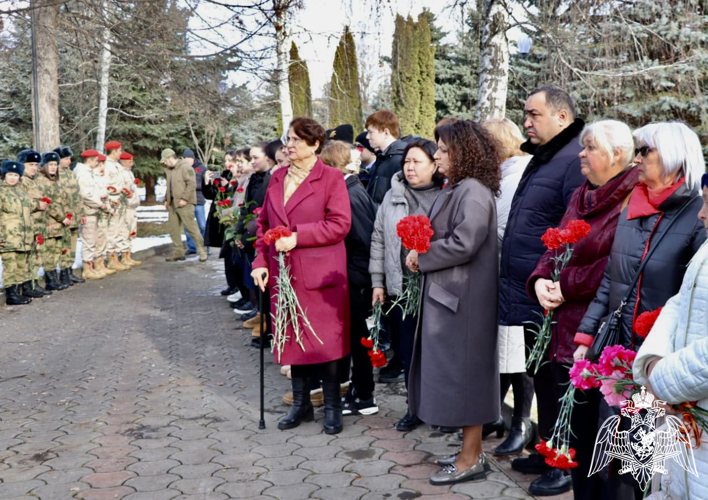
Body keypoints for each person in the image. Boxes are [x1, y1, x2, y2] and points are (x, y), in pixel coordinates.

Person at [574, 121, 706, 498]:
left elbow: (693, 295)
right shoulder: (634, 204)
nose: (639, 158)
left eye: (646, 151)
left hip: (656, 361)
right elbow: (611, 279)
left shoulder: (698, 212)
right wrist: (586, 334)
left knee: (640, 463)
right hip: (619, 353)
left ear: (675, 156)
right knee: (609, 455)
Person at [527, 120, 639, 498]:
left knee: (605, 448)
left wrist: (566, 285)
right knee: (577, 436)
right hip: (564, 331)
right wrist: (541, 278)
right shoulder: (581, 194)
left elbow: (619, 265)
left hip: (603, 336)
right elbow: (556, 244)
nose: (581, 153)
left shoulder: (632, 198)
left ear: (618, 155)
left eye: (590, 147)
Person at [498, 85, 585, 496]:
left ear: (562, 117)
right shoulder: (546, 156)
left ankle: (564, 461)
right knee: (539, 374)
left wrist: (557, 281)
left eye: (534, 115)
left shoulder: (571, 160)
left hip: (551, 292)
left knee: (554, 378)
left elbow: (575, 231)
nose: (527, 122)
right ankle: (547, 447)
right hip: (530, 287)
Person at [405, 119, 501, 485]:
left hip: (465, 305)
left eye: (443, 150)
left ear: (463, 152)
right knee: (457, 379)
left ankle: (471, 457)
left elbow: (465, 242)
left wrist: (421, 258)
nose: (437, 155)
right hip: (453, 300)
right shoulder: (457, 188)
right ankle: (468, 450)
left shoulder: (472, 191)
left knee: (467, 380)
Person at [252, 117, 352, 435]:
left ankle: (333, 406)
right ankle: (301, 404)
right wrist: (259, 261)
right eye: (288, 139)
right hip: (284, 274)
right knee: (292, 337)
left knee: (327, 342)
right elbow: (264, 224)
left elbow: (340, 224)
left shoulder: (331, 178)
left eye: (296, 140)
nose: (289, 145)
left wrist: (298, 236)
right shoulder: (278, 177)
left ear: (314, 144)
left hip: (322, 276)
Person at [633, 173, 708, 500]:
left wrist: (662, 380)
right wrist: (651, 363)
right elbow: (679, 304)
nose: (701, 214)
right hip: (687, 417)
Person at [369, 138, 444, 430]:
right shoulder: (393, 194)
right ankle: (415, 407)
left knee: (435, 354)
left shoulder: (445, 195)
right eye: (407, 162)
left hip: (434, 289)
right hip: (401, 289)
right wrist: (379, 282)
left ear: (434, 164)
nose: (410, 167)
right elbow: (378, 238)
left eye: (417, 162)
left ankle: (439, 409)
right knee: (409, 353)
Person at [476, 117, 535, 453]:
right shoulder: (503, 175)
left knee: (518, 356)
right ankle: (495, 415)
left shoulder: (516, 178)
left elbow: (502, 231)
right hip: (499, 277)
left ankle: (521, 422)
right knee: (502, 352)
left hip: (513, 278)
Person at [320, 141, 378, 416]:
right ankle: (357, 388)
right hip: (354, 276)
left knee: (359, 338)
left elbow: (365, 240)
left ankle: (365, 395)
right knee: (355, 337)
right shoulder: (348, 188)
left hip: (356, 279)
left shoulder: (350, 193)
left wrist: (355, 278)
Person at [241, 143, 275, 343]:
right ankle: (260, 314)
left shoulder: (271, 178)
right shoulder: (255, 178)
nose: (253, 162)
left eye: (256, 157)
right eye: (250, 158)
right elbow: (250, 208)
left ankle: (266, 321)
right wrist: (243, 231)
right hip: (256, 233)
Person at [160, 148, 208, 262]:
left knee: (192, 228)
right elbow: (169, 186)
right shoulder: (169, 169)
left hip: (185, 203)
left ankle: (202, 251)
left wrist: (185, 198)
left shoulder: (186, 167)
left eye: (165, 160)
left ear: (171, 157)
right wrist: (166, 199)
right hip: (173, 203)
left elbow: (192, 184)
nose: (164, 163)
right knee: (174, 229)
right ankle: (178, 252)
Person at [0, 160, 36, 305]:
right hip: (8, 236)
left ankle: (18, 292)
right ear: (4, 175)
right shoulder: (1, 191)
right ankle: (11, 295)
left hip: (23, 236)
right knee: (11, 266)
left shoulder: (22, 191)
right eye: (10, 174)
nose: (13, 178)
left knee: (21, 265)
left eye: (15, 175)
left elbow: (28, 210)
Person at [75, 149, 114, 279]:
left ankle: (92, 266)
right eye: (96, 161)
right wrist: (100, 204)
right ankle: (87, 268)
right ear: (89, 160)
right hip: (87, 211)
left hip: (93, 211)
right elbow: (86, 194)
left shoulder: (89, 173)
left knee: (94, 239)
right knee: (89, 240)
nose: (97, 163)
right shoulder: (83, 174)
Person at [18, 149, 51, 297]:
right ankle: (27, 285)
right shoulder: (20, 180)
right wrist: (38, 205)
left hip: (39, 223)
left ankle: (34, 282)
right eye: (30, 164)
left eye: (36, 164)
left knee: (37, 255)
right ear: (22, 164)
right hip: (27, 224)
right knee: (28, 256)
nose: (34, 167)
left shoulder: (35, 180)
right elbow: (20, 202)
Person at [36, 152, 69, 291]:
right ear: (44, 165)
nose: (53, 167)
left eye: (55, 164)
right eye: (50, 164)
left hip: (59, 222)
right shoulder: (42, 180)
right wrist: (62, 217)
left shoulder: (56, 180)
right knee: (48, 251)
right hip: (50, 220)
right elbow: (49, 203)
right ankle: (50, 278)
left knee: (55, 250)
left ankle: (53, 276)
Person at [54, 146, 85, 285]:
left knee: (72, 245)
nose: (69, 161)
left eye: (69, 158)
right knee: (64, 246)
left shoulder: (71, 174)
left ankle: (69, 272)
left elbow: (78, 194)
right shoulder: (55, 174)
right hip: (64, 217)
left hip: (74, 215)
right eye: (66, 158)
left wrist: (81, 213)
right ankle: (63, 273)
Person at [365, 110, 408, 205]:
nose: (367, 137)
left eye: (371, 132)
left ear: (386, 132)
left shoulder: (400, 160)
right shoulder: (382, 158)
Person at [103, 141, 130, 272]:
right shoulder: (106, 165)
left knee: (119, 229)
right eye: (119, 151)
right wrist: (111, 198)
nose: (120, 153)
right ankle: (111, 258)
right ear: (113, 151)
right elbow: (106, 185)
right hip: (113, 200)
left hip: (120, 200)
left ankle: (116, 258)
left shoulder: (116, 165)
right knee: (112, 230)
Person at [93, 154, 115, 277]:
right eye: (103, 164)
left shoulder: (101, 177)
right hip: (98, 210)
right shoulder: (93, 176)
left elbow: (105, 194)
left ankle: (101, 263)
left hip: (104, 209)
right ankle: (97, 264)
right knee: (99, 238)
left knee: (103, 237)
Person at [181, 149, 207, 256]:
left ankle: (205, 247)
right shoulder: (182, 169)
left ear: (193, 158)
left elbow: (205, 184)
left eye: (189, 159)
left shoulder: (201, 169)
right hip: (187, 201)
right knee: (188, 226)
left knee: (202, 226)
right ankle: (191, 247)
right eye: (185, 159)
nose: (187, 161)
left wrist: (192, 186)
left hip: (199, 200)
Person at [118, 152, 141, 267]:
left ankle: (128, 255)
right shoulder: (121, 173)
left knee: (132, 231)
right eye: (129, 161)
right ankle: (124, 256)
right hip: (126, 206)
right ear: (123, 162)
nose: (132, 164)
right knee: (125, 231)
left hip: (132, 206)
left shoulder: (129, 173)